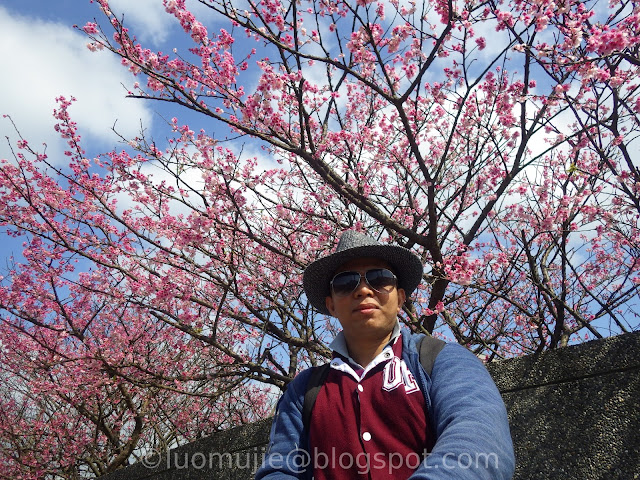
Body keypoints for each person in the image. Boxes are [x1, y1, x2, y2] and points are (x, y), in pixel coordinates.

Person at [255, 230, 515, 479]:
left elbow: (480, 441)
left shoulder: (443, 361)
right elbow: (280, 469)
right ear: (331, 305)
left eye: (379, 278)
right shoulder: (303, 390)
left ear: (400, 297)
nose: (364, 290)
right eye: (346, 283)